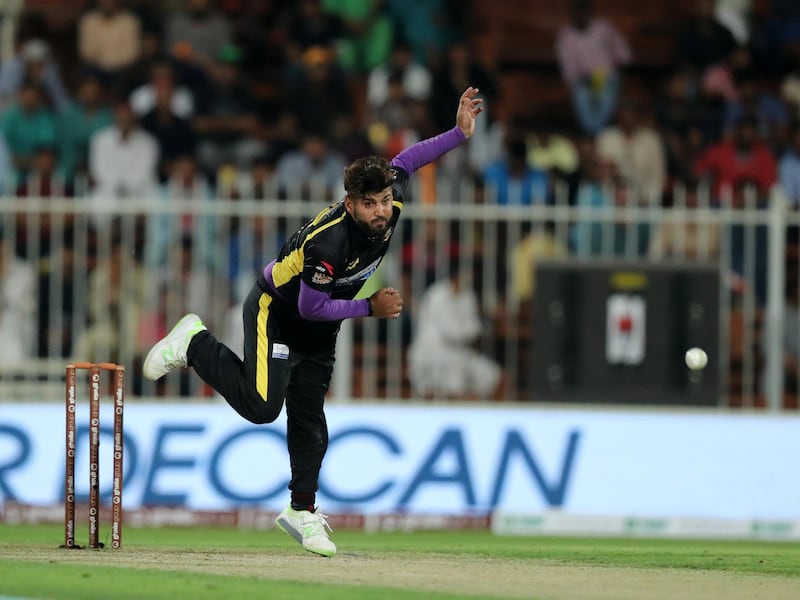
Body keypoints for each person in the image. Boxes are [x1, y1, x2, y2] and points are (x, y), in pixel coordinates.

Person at [142, 86, 484, 557]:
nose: (381, 211)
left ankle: (302, 511)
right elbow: (308, 306)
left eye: (384, 200)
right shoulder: (329, 245)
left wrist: (459, 133)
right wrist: (369, 307)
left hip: (321, 330)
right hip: (277, 313)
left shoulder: (392, 199)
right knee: (263, 407)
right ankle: (195, 341)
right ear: (350, 205)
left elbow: (410, 157)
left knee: (309, 421)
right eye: (370, 204)